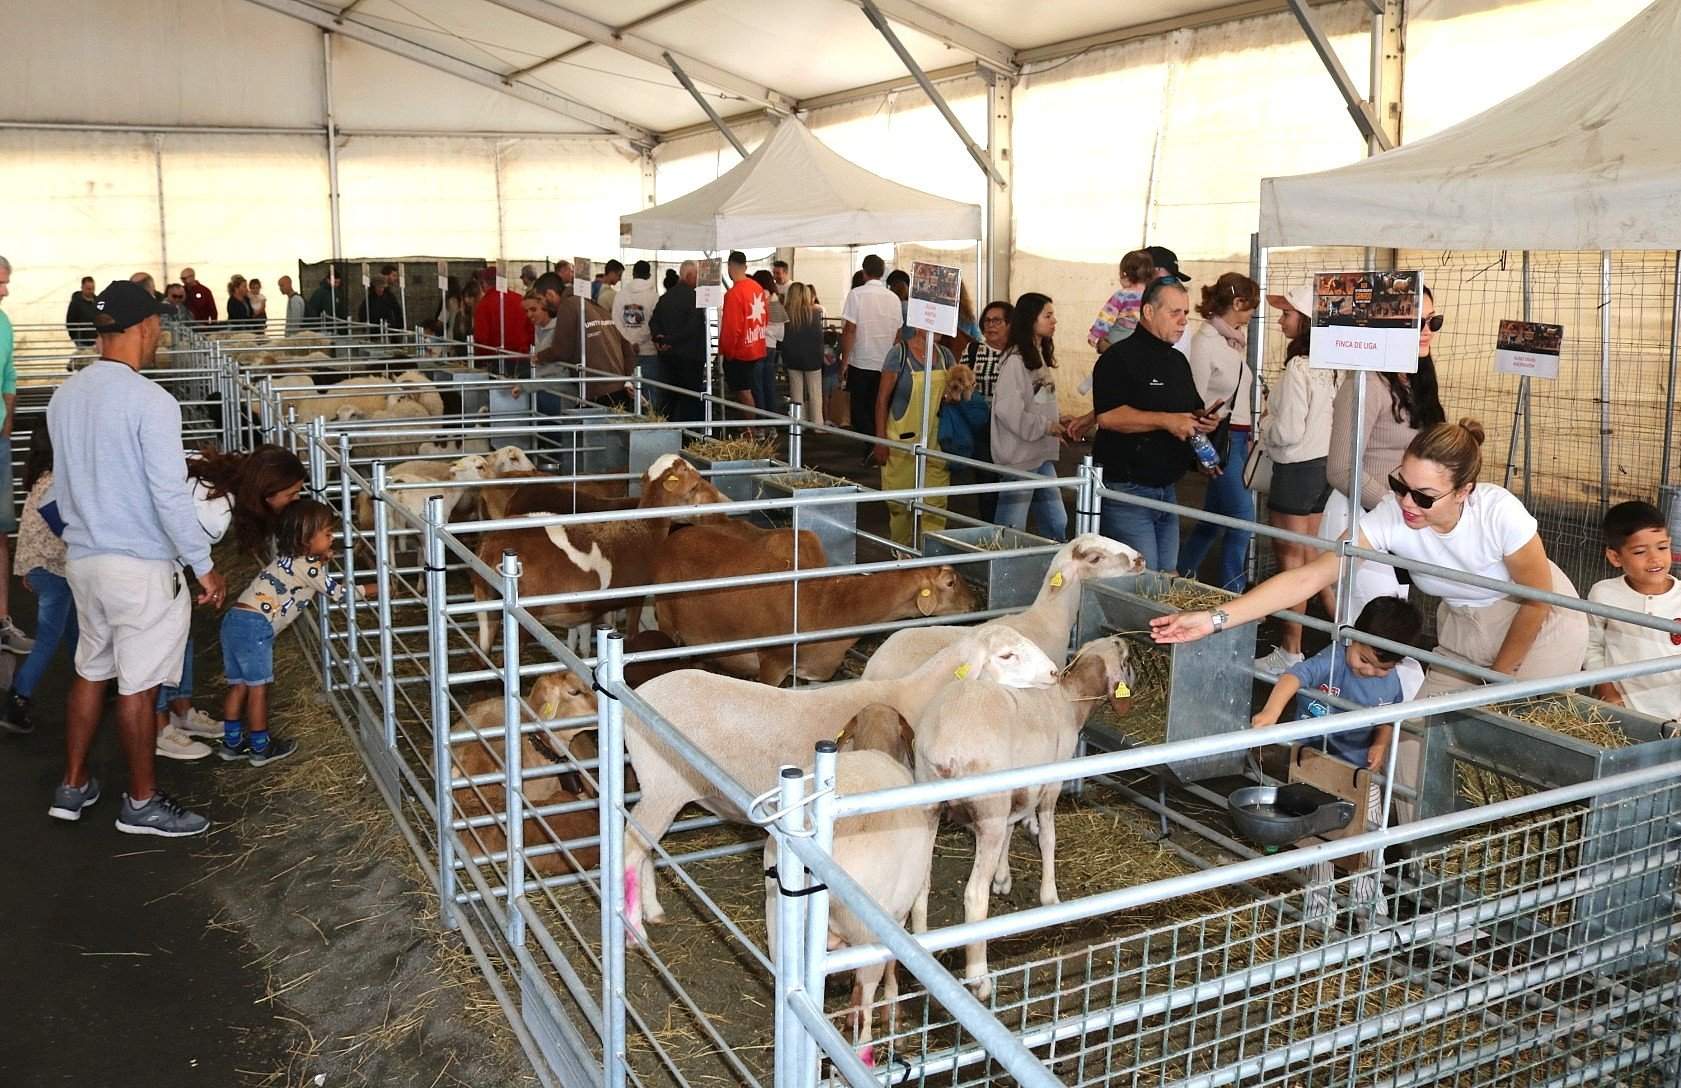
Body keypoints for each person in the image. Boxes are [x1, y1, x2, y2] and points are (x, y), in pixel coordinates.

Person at [1152, 420, 1589, 822]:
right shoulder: (1391, 517)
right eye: (1400, 485)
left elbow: (1537, 601)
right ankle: (1425, 858)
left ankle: (1519, 841)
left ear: (1464, 491)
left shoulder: (1498, 513)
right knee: (1412, 740)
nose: (1407, 503)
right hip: (1463, 625)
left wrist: (1497, 683)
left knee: (1515, 740)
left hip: (1539, 624)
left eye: (1424, 496)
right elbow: (1310, 576)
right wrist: (1215, 619)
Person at [44, 280, 226, 836]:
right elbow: (168, 494)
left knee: (90, 671)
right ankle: (141, 803)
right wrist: (202, 564)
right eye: (158, 325)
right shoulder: (152, 401)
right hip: (140, 564)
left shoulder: (63, 396)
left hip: (85, 559)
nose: (161, 334)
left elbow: (60, 486)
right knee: (139, 686)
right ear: (145, 327)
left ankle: (72, 785)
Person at [1070, 277, 1215, 570]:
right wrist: (1167, 421)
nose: (1183, 321)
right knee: (1142, 577)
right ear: (1148, 312)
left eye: (1186, 313)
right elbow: (1108, 417)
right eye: (1174, 312)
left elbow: (1191, 407)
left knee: (1165, 575)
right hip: (1127, 489)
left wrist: (1204, 420)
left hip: (1167, 487)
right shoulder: (1117, 358)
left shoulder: (1177, 361)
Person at [1323, 286, 1446, 615]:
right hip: (1358, 515)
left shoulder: (1415, 380)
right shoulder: (1365, 383)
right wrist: (1399, 507)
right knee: (1371, 631)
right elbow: (1341, 469)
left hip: (1393, 520)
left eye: (1433, 321)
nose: (1427, 331)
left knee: (1382, 628)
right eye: (1416, 323)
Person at [219, 499, 365, 765]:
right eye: (327, 533)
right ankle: (261, 747)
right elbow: (339, 593)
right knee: (258, 689)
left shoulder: (286, 558)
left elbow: (306, 572)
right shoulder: (308, 568)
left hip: (234, 620)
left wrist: (320, 557)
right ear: (306, 539)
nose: (332, 538)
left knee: (238, 686)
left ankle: (231, 744)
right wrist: (376, 589)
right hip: (256, 627)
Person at [1255, 286, 1338, 674]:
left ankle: (1290, 650)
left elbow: (1287, 431)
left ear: (1305, 321)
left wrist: (1265, 424)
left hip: (1296, 469)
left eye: (1287, 314)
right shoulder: (1336, 365)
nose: (1280, 320)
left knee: (1292, 564)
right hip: (1325, 468)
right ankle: (1347, 635)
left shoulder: (1298, 368)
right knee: (1314, 559)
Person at [1250, 596, 1424, 770]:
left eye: (1383, 668)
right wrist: (1271, 711)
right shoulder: (1334, 659)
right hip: (1306, 751)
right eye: (1364, 660)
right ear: (1352, 638)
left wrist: (1380, 745)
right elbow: (1294, 675)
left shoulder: (1392, 683)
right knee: (1297, 783)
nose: (1369, 671)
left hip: (1354, 762)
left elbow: (1389, 716)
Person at [1177, 273, 1261, 591]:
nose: (1252, 314)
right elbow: (1194, 401)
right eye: (1250, 306)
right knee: (1242, 518)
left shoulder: (1230, 341)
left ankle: (1179, 576)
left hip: (1235, 438)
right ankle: (1233, 594)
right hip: (1221, 439)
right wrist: (1203, 450)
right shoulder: (1206, 343)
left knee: (1213, 519)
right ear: (1237, 303)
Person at [1586, 501, 1681, 725]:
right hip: (1623, 712)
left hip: (1676, 715)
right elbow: (1590, 645)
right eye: (1639, 551)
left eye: (1662, 547)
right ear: (1615, 557)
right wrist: (1605, 687)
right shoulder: (1604, 594)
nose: (1655, 558)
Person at [3, 420, 68, 734]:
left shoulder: (38, 481)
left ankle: (101, 679)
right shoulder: (55, 484)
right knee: (48, 637)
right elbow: (65, 530)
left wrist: (27, 567)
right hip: (55, 570)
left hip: (43, 568)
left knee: (74, 628)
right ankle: (18, 696)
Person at [990, 292, 1068, 542]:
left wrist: (1057, 421)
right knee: (1011, 528)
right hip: (1020, 458)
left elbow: (1037, 401)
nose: (1054, 321)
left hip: (1039, 453)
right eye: (1048, 315)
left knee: (1056, 522)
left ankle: (1053, 563)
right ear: (1030, 319)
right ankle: (1001, 566)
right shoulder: (1016, 361)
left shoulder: (1037, 355)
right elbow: (1008, 410)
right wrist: (1047, 426)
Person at [874, 322, 954, 545]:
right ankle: (901, 551)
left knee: (936, 504)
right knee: (900, 504)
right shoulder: (899, 354)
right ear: (922, 323)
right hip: (901, 443)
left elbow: (955, 391)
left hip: (937, 442)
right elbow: (882, 400)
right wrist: (880, 441)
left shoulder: (946, 356)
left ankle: (932, 555)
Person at [532, 271, 632, 404]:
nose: (541, 305)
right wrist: (628, 379)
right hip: (616, 382)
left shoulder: (568, 306)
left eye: (540, 299)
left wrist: (539, 357)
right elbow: (627, 346)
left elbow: (562, 350)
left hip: (597, 386)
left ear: (550, 294)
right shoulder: (592, 305)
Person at [840, 255, 901, 441]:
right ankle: (877, 444)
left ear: (864, 272)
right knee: (880, 407)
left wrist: (844, 361)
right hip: (886, 363)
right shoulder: (894, 298)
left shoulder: (856, 294)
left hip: (861, 361)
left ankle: (872, 445)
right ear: (882, 273)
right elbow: (898, 334)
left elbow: (850, 330)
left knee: (859, 411)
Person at [0, 256, 25, 656]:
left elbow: (9, 376)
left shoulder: (3, 323)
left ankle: (2, 620)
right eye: (0, 283)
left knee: (1, 532)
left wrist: (6, 427)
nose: (5, 290)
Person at [650, 260, 706, 422]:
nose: (698, 280)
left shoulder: (665, 297)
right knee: (689, 400)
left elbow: (653, 321)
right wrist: (669, 340)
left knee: (668, 399)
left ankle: (667, 430)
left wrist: (659, 339)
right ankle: (689, 433)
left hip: (667, 358)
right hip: (690, 358)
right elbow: (692, 328)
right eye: (696, 276)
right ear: (688, 276)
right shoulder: (695, 298)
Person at [719, 251, 768, 423]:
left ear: (729, 267)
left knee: (744, 392)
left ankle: (751, 430)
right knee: (756, 390)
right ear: (745, 267)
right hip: (757, 346)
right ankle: (759, 427)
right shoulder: (757, 288)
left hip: (740, 352)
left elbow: (731, 328)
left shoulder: (733, 294)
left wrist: (727, 352)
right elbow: (765, 317)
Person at [613, 260, 661, 412]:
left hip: (626, 354)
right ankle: (651, 422)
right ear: (649, 275)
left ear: (633, 274)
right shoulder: (654, 297)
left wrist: (629, 342)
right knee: (650, 396)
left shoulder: (621, 295)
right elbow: (654, 323)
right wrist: (638, 341)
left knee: (629, 393)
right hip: (648, 351)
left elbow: (616, 322)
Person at [1087, 249, 1156, 351]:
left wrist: (1094, 335)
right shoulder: (1153, 295)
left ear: (1124, 274)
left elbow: (1107, 315)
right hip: (1144, 339)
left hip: (1120, 337)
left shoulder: (1122, 295)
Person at [780, 283, 825, 426]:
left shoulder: (785, 313)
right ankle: (817, 425)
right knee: (815, 392)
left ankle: (799, 423)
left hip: (792, 357)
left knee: (796, 392)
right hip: (813, 358)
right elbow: (819, 338)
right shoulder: (815, 313)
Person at [473, 270, 533, 373]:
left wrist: (480, 360)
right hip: (522, 358)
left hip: (495, 361)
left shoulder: (483, 305)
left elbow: (481, 338)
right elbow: (531, 328)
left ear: (484, 283)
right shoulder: (520, 299)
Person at [752, 269, 784, 416]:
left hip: (759, 344)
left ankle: (761, 418)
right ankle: (771, 417)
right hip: (771, 346)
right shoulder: (776, 300)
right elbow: (780, 329)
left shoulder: (760, 297)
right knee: (769, 383)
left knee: (757, 384)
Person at [66, 276, 100, 347]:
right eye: (88, 289)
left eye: (93, 288)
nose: (91, 291)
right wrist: (75, 337)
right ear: (82, 287)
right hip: (82, 341)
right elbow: (70, 320)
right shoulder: (76, 303)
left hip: (96, 341)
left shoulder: (97, 302)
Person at [526, 291, 555, 356]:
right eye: (526, 311)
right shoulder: (537, 326)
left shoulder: (559, 327)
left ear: (545, 306)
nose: (529, 315)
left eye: (533, 309)